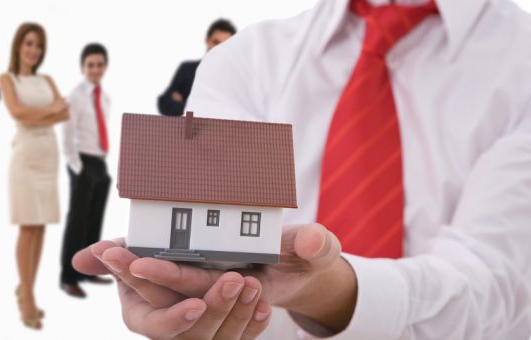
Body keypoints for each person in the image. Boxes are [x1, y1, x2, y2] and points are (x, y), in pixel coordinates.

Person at [73, 0, 531, 339]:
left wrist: (330, 291)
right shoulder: (246, 60)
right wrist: (184, 286)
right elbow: (208, 224)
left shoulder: (521, 62)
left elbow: (497, 283)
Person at [0, 22, 69, 330]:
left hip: (48, 156)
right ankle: (26, 294)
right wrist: (48, 111)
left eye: (38, 45)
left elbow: (64, 112)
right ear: (18, 45)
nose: (33, 50)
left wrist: (39, 113)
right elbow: (16, 113)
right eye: (28, 43)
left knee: (41, 228)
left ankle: (29, 286)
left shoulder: (48, 80)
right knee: (27, 227)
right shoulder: (7, 79)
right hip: (25, 158)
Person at [59, 43, 113, 298]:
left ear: (104, 67)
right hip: (82, 162)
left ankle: (88, 270)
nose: (95, 69)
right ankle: (69, 277)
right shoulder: (76, 96)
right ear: (83, 67)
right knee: (77, 221)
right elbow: (67, 133)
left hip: (99, 162)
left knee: (94, 220)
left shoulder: (105, 97)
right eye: (90, 64)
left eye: (99, 64)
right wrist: (76, 166)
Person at [157, 18, 236, 116]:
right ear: (207, 40)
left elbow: (234, 114)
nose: (218, 49)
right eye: (216, 42)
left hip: (220, 131)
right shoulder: (186, 69)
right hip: (188, 130)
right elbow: (165, 104)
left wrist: (185, 105)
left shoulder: (234, 79)